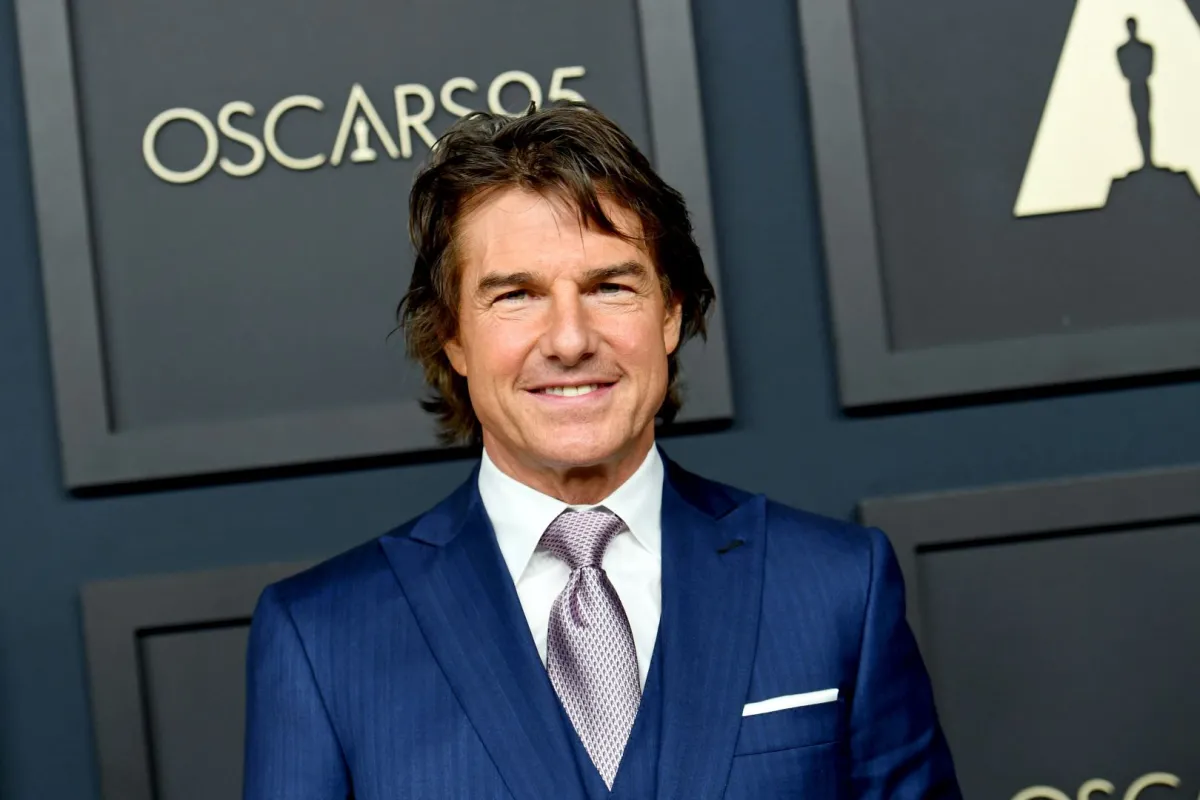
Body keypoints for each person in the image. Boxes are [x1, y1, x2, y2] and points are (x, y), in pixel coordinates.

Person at [242, 102, 961, 799]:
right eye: (516, 295)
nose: (569, 339)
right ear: (453, 336)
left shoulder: (837, 586)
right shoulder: (322, 637)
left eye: (610, 286)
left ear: (670, 313)